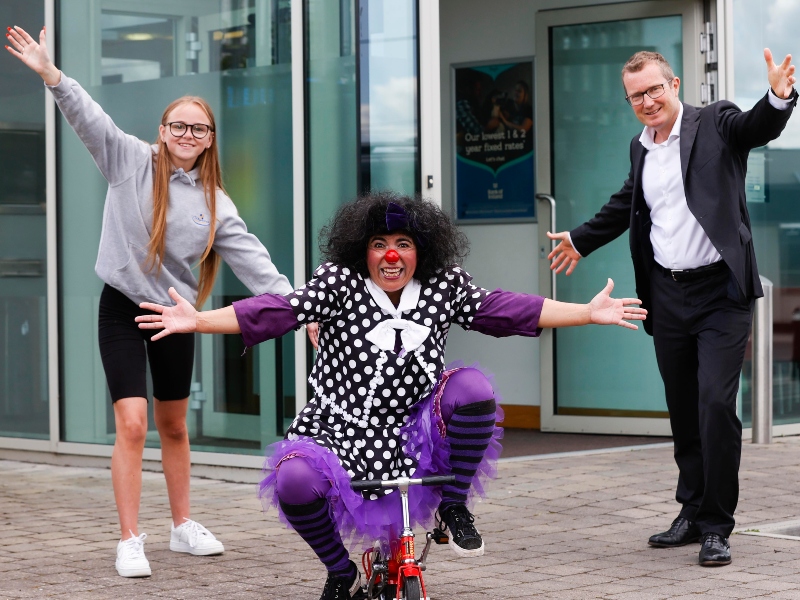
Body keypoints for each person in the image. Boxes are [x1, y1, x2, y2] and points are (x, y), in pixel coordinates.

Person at [136, 192, 646, 600]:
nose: (391, 254)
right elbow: (274, 310)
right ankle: (341, 573)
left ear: (422, 248)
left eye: (403, 242)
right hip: (339, 429)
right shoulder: (338, 283)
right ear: (363, 250)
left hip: (414, 429)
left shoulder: (444, 285)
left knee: (472, 388)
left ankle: (453, 504)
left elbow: (505, 308)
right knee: (292, 479)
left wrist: (584, 311)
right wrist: (199, 321)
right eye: (379, 243)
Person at [4, 25, 296, 578]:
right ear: (162, 131)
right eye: (178, 125)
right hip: (121, 307)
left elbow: (255, 263)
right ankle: (130, 538)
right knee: (133, 423)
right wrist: (53, 76)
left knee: (175, 426)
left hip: (175, 318)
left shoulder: (216, 204)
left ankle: (182, 527)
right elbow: (88, 116)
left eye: (198, 127)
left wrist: (299, 307)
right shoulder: (129, 160)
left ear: (209, 138)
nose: (187, 133)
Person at [547, 49, 797, 567]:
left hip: (720, 295)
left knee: (713, 404)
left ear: (674, 83)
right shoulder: (640, 148)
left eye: (655, 89)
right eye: (636, 95)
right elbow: (628, 202)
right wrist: (579, 237)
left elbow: (758, 127)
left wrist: (778, 96)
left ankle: (716, 525)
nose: (647, 101)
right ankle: (690, 510)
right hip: (668, 294)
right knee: (684, 407)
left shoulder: (716, 122)